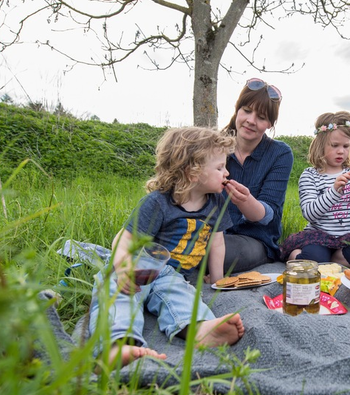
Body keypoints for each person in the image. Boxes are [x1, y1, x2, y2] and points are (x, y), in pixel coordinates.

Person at [87, 126, 245, 369]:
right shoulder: (159, 203)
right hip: (140, 265)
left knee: (183, 297)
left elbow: (217, 241)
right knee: (117, 294)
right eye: (220, 167)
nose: (227, 172)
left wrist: (217, 280)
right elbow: (124, 239)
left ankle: (201, 329)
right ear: (193, 172)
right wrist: (121, 268)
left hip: (173, 276)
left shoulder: (216, 201)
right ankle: (116, 344)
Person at [280, 111, 350, 266]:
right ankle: (297, 255)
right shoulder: (310, 175)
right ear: (321, 145)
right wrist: (333, 192)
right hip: (318, 237)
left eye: (346, 146)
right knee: (315, 256)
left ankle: (333, 260)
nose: (341, 151)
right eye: (334, 145)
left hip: (349, 237)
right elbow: (309, 213)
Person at [220, 78, 295, 273]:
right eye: (246, 110)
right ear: (237, 110)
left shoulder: (280, 153)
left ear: (270, 123)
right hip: (211, 233)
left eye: (261, 117)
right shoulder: (215, 146)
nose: (251, 121)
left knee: (214, 252)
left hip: (255, 239)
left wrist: (245, 201)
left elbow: (268, 215)